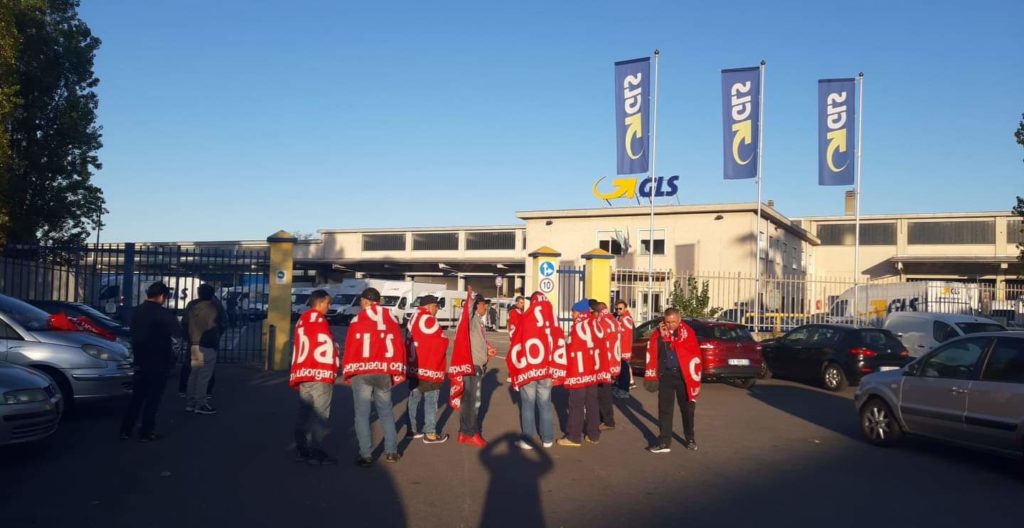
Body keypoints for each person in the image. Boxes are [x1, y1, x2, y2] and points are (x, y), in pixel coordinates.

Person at [342, 287, 407, 467]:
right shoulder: (390, 318)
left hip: (362, 370)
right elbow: (398, 343)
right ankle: (391, 451)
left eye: (361, 301)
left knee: (362, 415)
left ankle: (366, 454)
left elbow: (351, 346)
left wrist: (348, 370)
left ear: (365, 301)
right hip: (383, 371)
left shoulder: (357, 319)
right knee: (386, 412)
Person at [120, 281, 183, 442]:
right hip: (159, 361)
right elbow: (177, 332)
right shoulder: (163, 313)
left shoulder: (136, 311)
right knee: (153, 399)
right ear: (161, 296)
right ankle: (146, 431)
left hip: (140, 359)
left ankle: (126, 430)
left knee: (137, 397)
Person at [289, 289, 340, 465]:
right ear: (320, 302)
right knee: (320, 415)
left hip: (304, 372)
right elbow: (328, 345)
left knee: (304, 413)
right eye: (328, 303)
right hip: (319, 372)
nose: (329, 306)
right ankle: (316, 452)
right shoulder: (320, 321)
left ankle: (301, 449)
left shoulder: (302, 320)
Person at [644, 307, 702, 454]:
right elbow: (653, 351)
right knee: (664, 410)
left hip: (684, 376)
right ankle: (664, 441)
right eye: (668, 322)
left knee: (687, 410)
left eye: (673, 322)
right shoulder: (658, 333)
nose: (670, 325)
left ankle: (690, 438)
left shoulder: (687, 333)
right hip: (666, 376)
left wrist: (695, 377)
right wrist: (662, 336)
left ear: (679, 320)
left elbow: (693, 353)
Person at [507, 292, 557, 449]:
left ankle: (528, 440)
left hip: (529, 368)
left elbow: (516, 341)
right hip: (546, 368)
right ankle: (547, 438)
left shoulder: (526, 317)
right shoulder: (552, 319)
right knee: (545, 404)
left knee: (528, 405)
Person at [406, 295, 450, 444]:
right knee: (431, 400)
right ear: (429, 306)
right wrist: (445, 340)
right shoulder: (429, 320)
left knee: (413, 398)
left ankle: (411, 429)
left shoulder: (413, 317)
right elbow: (441, 341)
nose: (437, 310)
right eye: (436, 306)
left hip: (414, 366)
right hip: (429, 367)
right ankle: (430, 433)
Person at [556, 299, 601, 447]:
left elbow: (571, 350)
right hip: (592, 372)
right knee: (592, 403)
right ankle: (594, 435)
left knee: (576, 404)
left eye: (574, 311)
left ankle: (574, 437)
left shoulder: (578, 327)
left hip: (579, 372)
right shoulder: (595, 324)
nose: (572, 314)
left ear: (580, 312)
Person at [456, 292, 496, 448]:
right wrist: (471, 298)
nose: (486, 306)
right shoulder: (472, 319)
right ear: (476, 305)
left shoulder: (477, 321)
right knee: (474, 402)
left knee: (467, 401)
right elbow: (467, 311)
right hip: (473, 365)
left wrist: (487, 349)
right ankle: (472, 433)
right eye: (483, 304)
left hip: (473, 364)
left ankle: (463, 432)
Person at [181, 283, 226, 414]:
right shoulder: (214, 307)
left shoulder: (192, 306)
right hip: (208, 345)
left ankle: (190, 402)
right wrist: (216, 337)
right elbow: (222, 324)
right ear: (212, 294)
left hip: (195, 344)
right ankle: (200, 403)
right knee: (204, 376)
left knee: (194, 374)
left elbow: (184, 323)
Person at [593, 302, 619, 430]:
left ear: (597, 312)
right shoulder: (613, 320)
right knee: (605, 392)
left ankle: (608, 421)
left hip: (604, 362)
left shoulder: (601, 322)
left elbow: (597, 342)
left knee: (603, 394)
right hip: (613, 361)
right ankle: (605, 419)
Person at [613, 300, 635, 398]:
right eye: (616, 308)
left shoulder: (626, 319)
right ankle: (620, 388)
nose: (618, 310)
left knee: (624, 370)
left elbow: (625, 335)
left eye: (620, 308)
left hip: (624, 349)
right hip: (620, 349)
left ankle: (624, 391)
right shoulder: (620, 317)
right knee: (621, 370)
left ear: (625, 308)